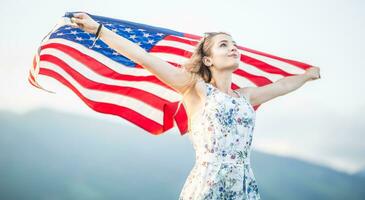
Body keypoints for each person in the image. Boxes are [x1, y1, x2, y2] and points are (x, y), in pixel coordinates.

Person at [70, 12, 321, 200]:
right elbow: (143, 57)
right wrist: (99, 30)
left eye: (234, 44)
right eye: (224, 44)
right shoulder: (194, 88)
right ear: (208, 59)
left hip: (243, 188)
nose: (233, 48)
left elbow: (282, 87)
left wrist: (308, 75)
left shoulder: (247, 96)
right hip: (207, 186)